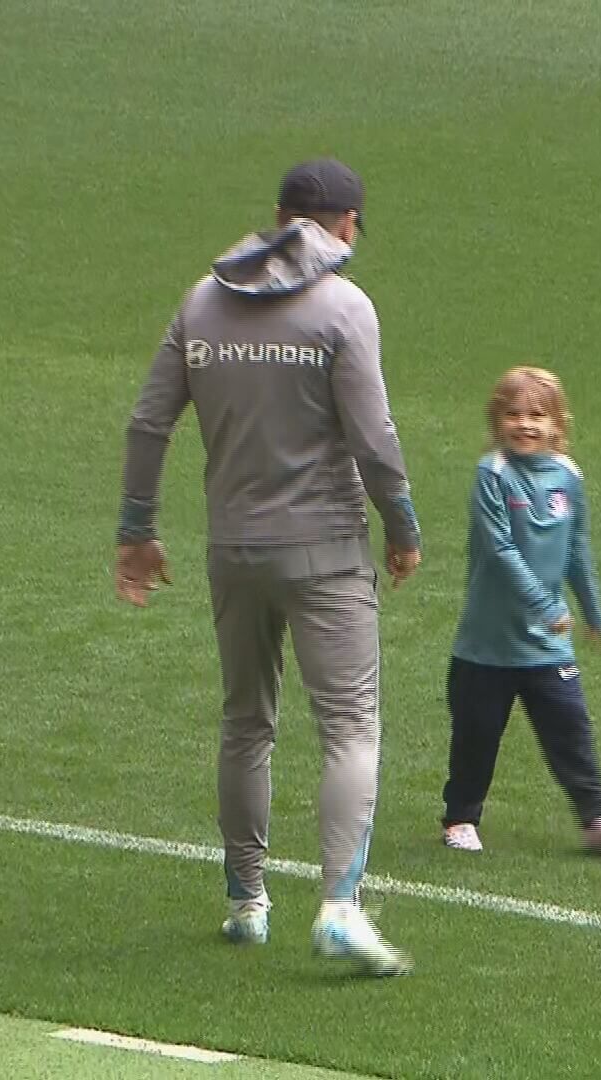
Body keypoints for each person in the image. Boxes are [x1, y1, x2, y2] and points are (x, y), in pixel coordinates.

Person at [114, 158, 420, 976]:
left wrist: (136, 531)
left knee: (247, 721)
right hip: (325, 551)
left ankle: (247, 901)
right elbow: (375, 440)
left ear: (279, 213)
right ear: (346, 224)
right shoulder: (345, 308)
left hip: (233, 551)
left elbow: (149, 424)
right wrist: (404, 526)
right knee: (350, 726)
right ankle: (340, 907)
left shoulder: (202, 301)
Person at [440, 366, 601, 855]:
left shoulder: (568, 477)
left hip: (546, 642)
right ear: (497, 421)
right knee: (477, 737)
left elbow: (577, 548)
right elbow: (500, 549)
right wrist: (546, 604)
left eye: (537, 415)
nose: (525, 425)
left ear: (557, 422)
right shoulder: (491, 474)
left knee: (570, 727)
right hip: (488, 644)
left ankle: (596, 819)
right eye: (513, 414)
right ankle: (460, 819)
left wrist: (593, 612)